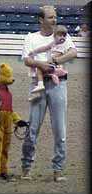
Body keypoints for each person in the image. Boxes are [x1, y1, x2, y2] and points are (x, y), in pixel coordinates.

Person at [21, 5, 77, 182]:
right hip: (38, 83)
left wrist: (56, 60)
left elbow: (74, 52)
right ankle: (26, 167)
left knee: (59, 129)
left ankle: (58, 169)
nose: (55, 20)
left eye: (55, 17)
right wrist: (42, 66)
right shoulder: (31, 38)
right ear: (41, 19)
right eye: (51, 17)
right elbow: (27, 59)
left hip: (58, 85)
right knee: (33, 128)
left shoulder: (62, 36)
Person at [28, 25, 69, 101]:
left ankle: (40, 85)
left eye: (64, 35)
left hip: (55, 66)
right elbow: (45, 48)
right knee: (37, 72)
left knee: (38, 68)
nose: (62, 37)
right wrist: (35, 51)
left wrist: (44, 63)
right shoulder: (53, 43)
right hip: (52, 65)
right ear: (54, 36)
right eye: (60, 35)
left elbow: (56, 56)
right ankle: (37, 92)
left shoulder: (62, 46)